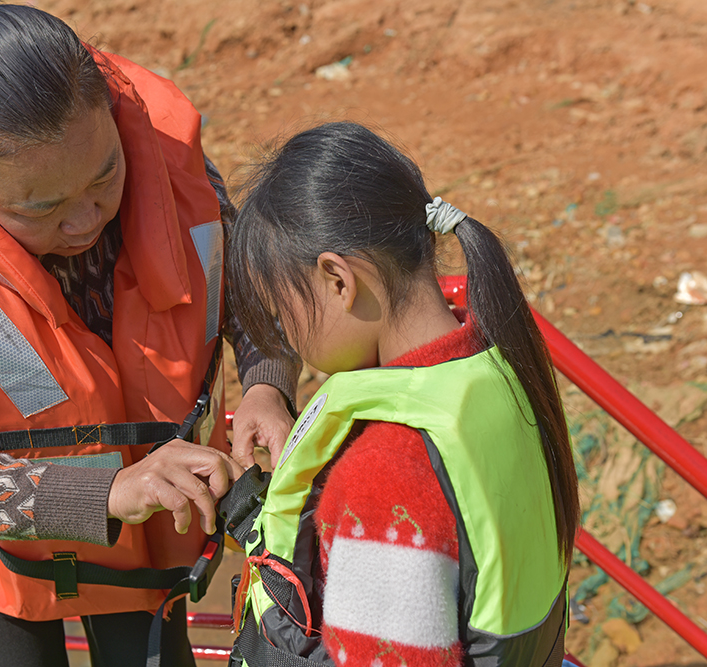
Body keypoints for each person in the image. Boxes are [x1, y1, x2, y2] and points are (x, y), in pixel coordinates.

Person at [0, 1, 299, 665]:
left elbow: (248, 294)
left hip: (151, 491)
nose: (86, 220)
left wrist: (265, 385)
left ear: (113, 116)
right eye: (41, 207)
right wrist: (105, 493)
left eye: (106, 174)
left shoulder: (167, 158)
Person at [222, 122, 581, 667]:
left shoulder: (384, 473)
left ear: (338, 280)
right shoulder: (492, 373)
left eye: (281, 312)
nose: (286, 337)